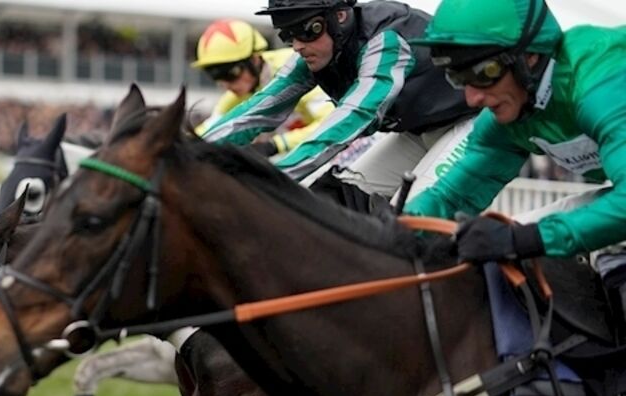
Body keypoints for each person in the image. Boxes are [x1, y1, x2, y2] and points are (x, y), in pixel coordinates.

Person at [404, 0, 626, 295]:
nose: (472, 99)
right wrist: (399, 226)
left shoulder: (600, 86)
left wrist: (525, 240)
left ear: (530, 56)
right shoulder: (509, 112)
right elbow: (452, 196)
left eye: (483, 73)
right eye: (458, 77)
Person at [201, 0, 477, 199]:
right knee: (334, 202)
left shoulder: (386, 40)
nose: (298, 45)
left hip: (469, 125)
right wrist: (190, 152)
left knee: (411, 219)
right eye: (288, 35)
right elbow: (258, 109)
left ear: (340, 16)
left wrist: (273, 177)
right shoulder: (312, 54)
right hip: (414, 134)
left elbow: (354, 116)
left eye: (307, 30)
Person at [192, 19, 334, 158]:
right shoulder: (234, 97)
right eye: (214, 76)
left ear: (254, 59)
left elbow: (331, 123)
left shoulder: (296, 69)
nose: (226, 85)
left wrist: (276, 145)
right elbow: (210, 131)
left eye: (231, 73)